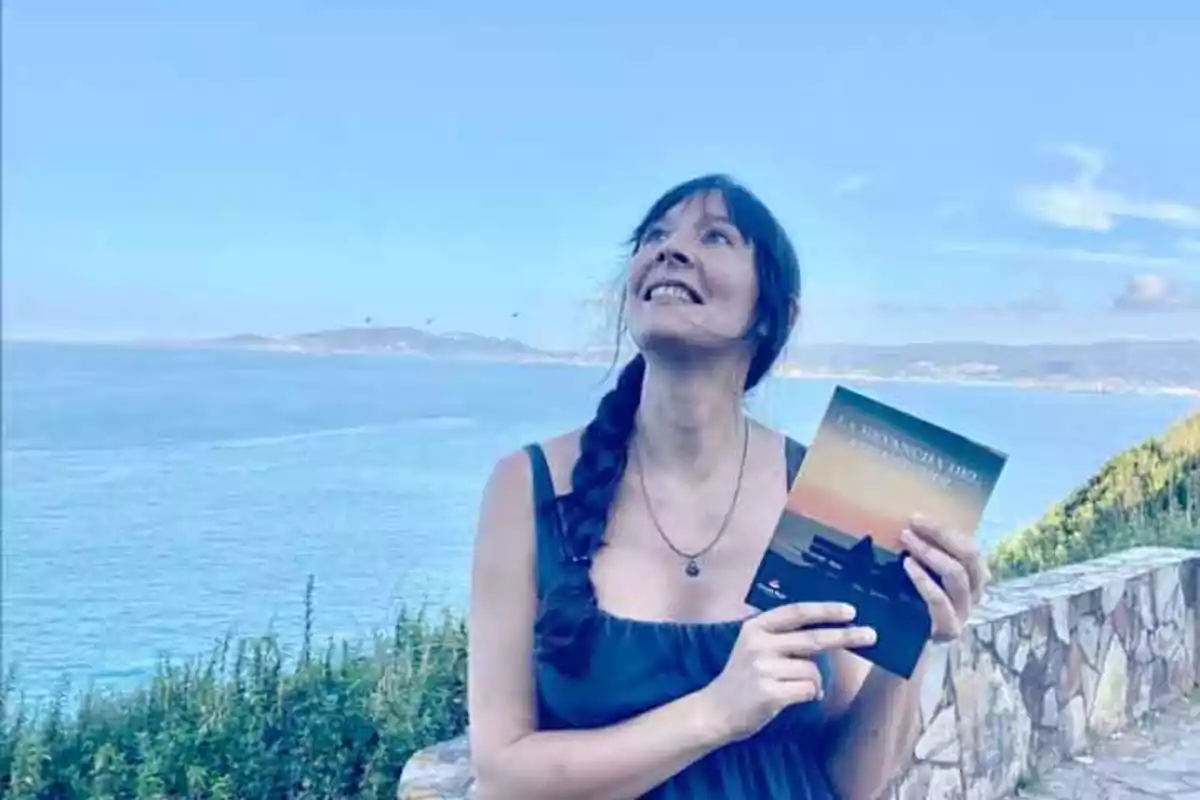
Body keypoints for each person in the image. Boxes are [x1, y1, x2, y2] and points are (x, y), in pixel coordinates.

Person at [466, 174, 990, 799]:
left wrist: (919, 639)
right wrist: (715, 714)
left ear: (775, 314)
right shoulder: (527, 487)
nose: (671, 249)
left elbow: (851, 784)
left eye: (715, 236)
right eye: (654, 235)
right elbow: (502, 774)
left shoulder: (824, 492)